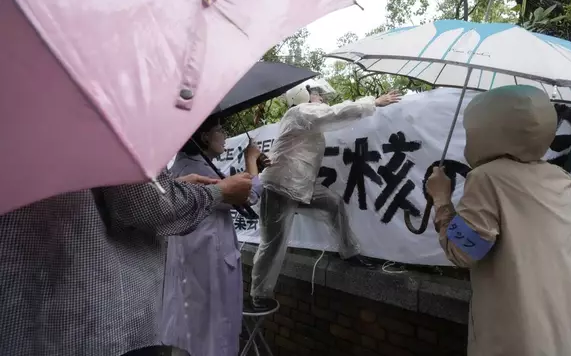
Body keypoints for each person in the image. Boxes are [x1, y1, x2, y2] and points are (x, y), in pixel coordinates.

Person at [424, 85, 571, 356]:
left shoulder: (487, 177)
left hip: (518, 337)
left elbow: (464, 251)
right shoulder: (563, 179)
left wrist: (441, 199)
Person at [0, 165, 253, 356]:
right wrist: (219, 192)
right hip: (98, 319)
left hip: (23, 315)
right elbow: (148, 205)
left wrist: (171, 186)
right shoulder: (106, 106)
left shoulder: (21, 113)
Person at [250, 79, 401, 309]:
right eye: (316, 94)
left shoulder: (303, 118)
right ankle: (258, 294)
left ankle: (349, 251)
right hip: (280, 186)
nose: (320, 97)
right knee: (272, 243)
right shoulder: (300, 112)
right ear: (303, 97)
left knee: (333, 204)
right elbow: (336, 113)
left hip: (301, 185)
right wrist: (373, 102)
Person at [160, 116, 267, 356]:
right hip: (207, 262)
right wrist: (251, 160)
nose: (226, 135)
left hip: (196, 261)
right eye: (220, 128)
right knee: (212, 333)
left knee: (195, 331)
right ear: (204, 136)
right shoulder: (195, 168)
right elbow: (247, 196)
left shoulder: (187, 164)